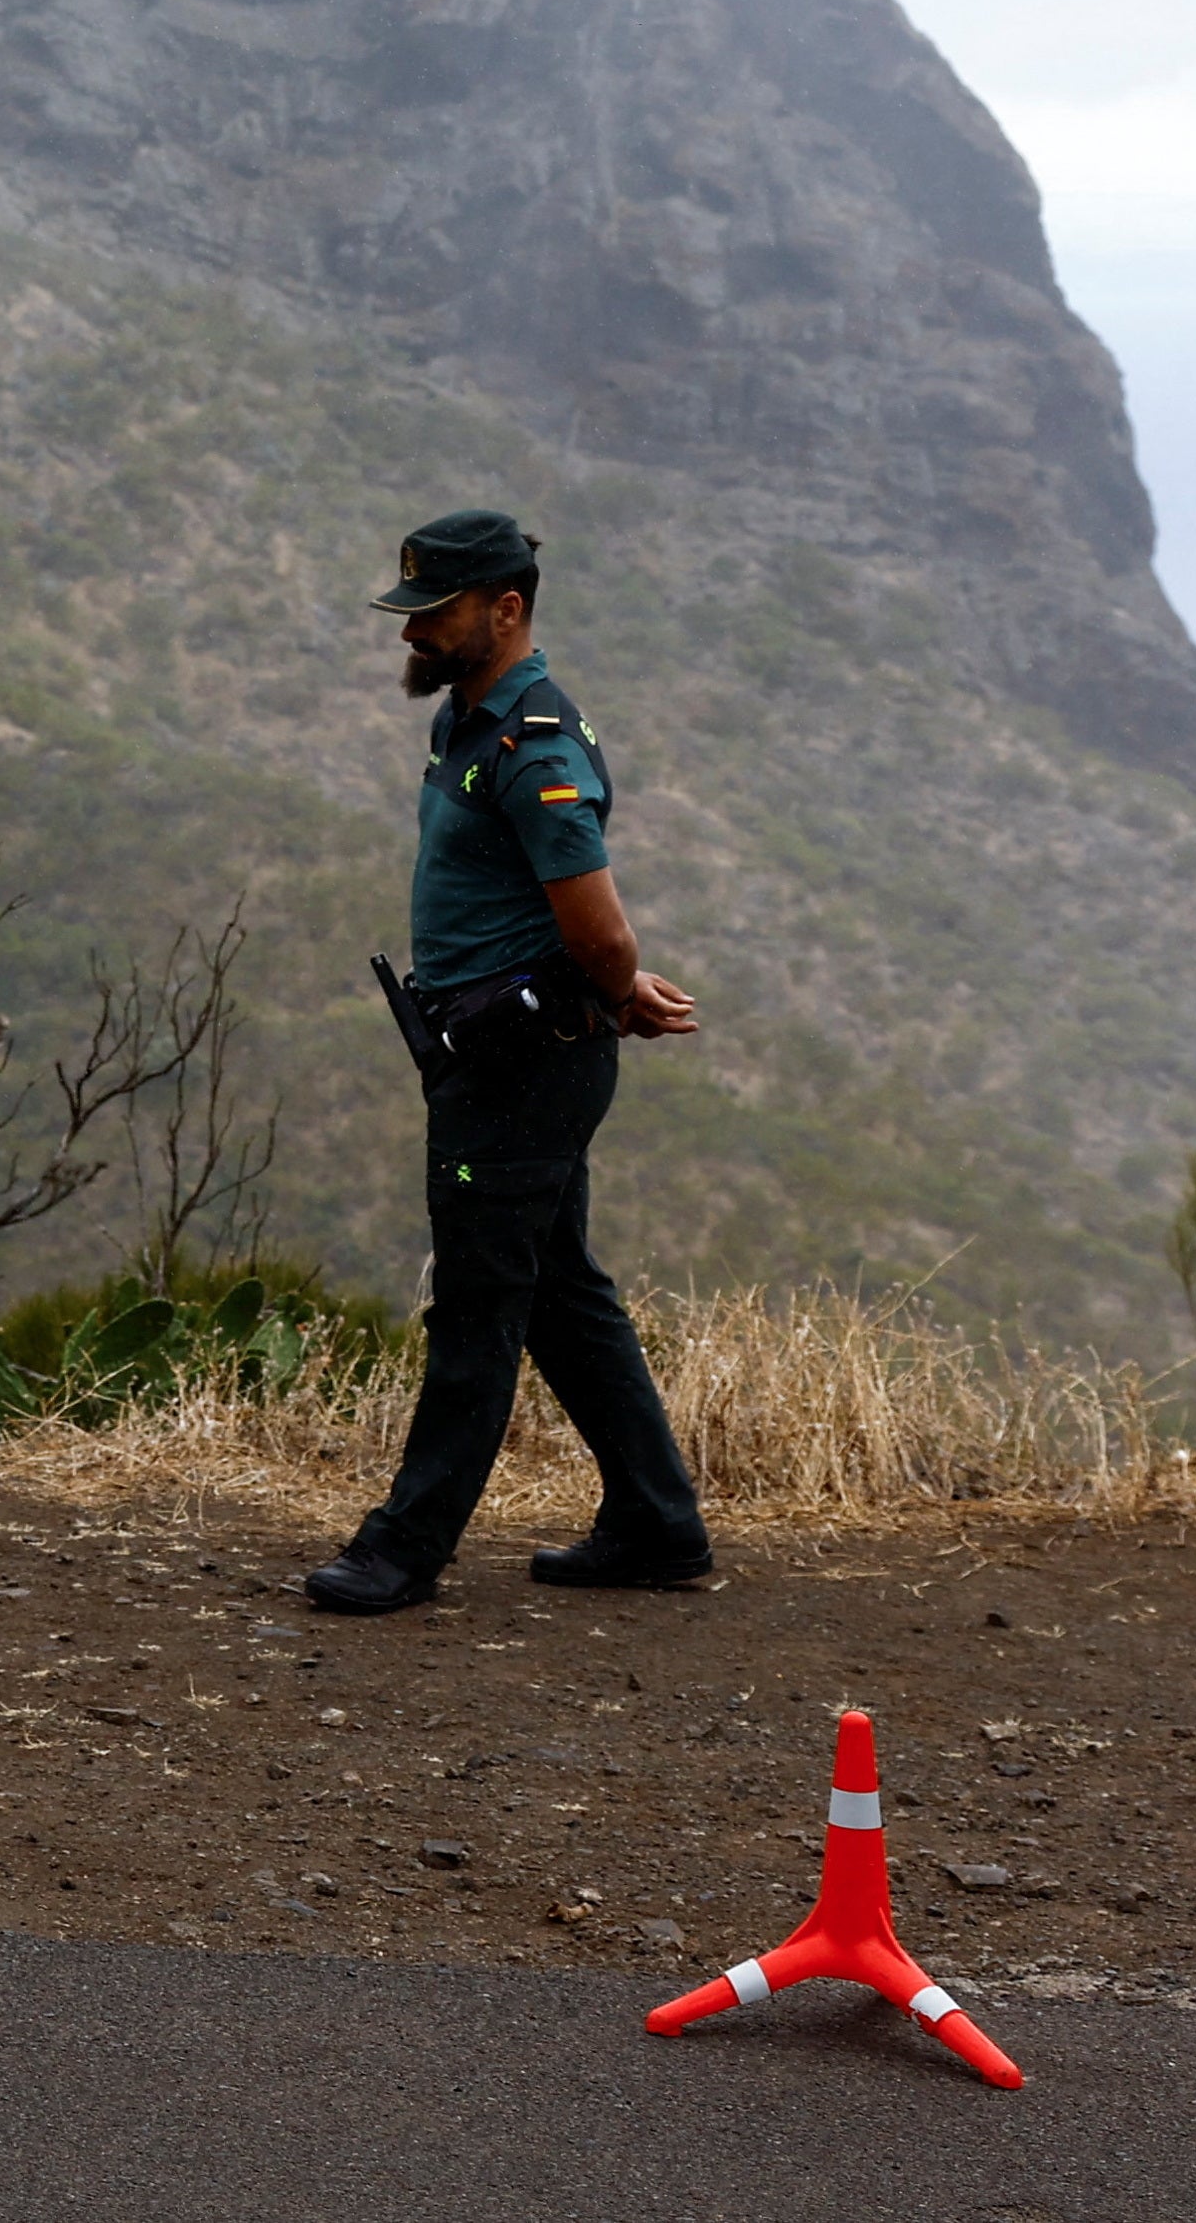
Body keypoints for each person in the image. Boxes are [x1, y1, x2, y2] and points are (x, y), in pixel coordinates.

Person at [305, 507, 715, 1616]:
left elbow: (603, 933)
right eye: (409, 613)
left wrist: (618, 991)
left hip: (522, 1070)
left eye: (431, 614)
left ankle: (402, 1547)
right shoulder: (468, 722)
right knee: (560, 1296)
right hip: (493, 1056)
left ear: (506, 607)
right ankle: (655, 1520)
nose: (412, 635)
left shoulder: (535, 748)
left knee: (480, 1301)